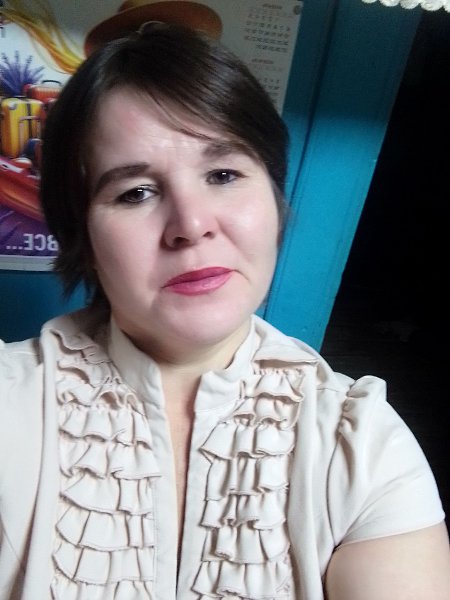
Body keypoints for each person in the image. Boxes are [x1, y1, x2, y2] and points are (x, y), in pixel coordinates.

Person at [0, 23, 449, 600]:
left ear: (275, 199)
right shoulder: (11, 403)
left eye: (223, 174)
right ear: (81, 235)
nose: (191, 225)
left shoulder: (362, 446)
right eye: (135, 192)